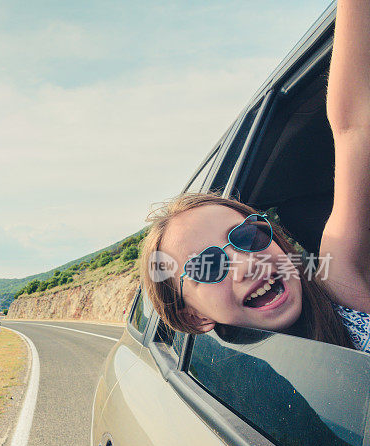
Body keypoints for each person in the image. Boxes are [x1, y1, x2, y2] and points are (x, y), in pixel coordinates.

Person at [139, 0, 370, 353]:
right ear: (193, 317)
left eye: (249, 235)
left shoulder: (338, 289)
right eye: (207, 266)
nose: (247, 263)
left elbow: (353, 127)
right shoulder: (243, 384)